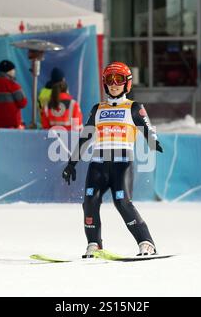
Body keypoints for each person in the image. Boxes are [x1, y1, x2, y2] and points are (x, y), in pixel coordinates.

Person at [62, 62, 164, 258]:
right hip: (98, 164)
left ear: (127, 84)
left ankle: (147, 243)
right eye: (110, 80)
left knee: (122, 202)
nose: (114, 84)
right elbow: (86, 136)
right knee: (90, 201)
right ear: (104, 83)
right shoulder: (97, 108)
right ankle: (93, 244)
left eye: (119, 80)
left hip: (121, 163)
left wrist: (153, 141)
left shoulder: (134, 107)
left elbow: (147, 128)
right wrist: (71, 163)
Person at [0, 60, 27, 129]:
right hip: (12, 125)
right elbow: (23, 103)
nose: (14, 72)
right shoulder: (13, 84)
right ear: (9, 71)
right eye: (13, 70)